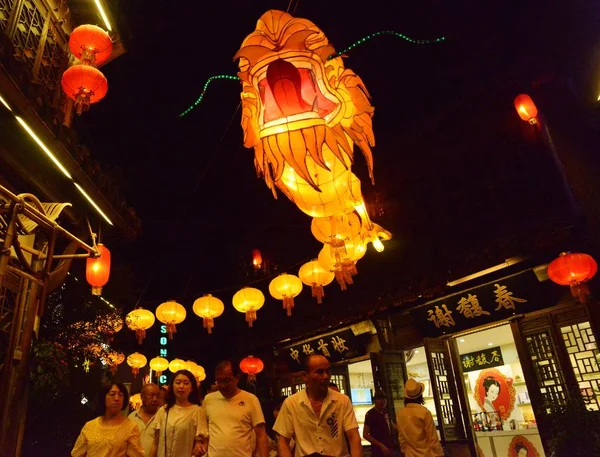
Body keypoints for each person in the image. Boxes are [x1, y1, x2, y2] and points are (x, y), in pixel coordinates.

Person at [274, 354, 362, 457]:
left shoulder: (342, 401)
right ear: (305, 376)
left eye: (328, 371)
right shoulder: (291, 403)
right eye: (319, 372)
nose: (325, 376)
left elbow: (354, 438)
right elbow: (283, 441)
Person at [198, 360, 269, 457]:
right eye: (219, 381)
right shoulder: (209, 399)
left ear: (237, 378)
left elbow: (261, 436)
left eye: (227, 380)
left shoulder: (250, 399)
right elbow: (202, 429)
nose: (222, 385)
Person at [71, 382, 145, 457]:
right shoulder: (90, 426)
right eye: (112, 394)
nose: (117, 398)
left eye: (120, 395)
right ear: (103, 397)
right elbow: (77, 454)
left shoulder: (130, 427)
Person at [149, 370, 203, 457]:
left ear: (192, 388)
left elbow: (200, 444)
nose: (181, 386)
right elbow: (156, 443)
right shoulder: (163, 410)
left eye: (186, 383)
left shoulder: (197, 411)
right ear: (172, 387)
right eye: (178, 383)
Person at [396, 378, 444, 457]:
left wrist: (404, 451)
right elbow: (432, 438)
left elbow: (401, 438)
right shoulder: (424, 412)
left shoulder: (400, 413)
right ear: (420, 395)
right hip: (426, 454)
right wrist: (440, 454)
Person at [129, 383, 161, 456]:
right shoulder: (132, 418)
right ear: (142, 396)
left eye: (157, 396)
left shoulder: (163, 417)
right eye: (151, 395)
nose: (155, 399)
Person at [363, 390, 393, 457]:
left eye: (384, 399)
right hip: (378, 450)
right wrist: (380, 445)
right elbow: (365, 435)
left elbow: (391, 425)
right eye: (379, 399)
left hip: (389, 448)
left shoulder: (386, 412)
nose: (382, 401)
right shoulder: (370, 414)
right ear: (375, 401)